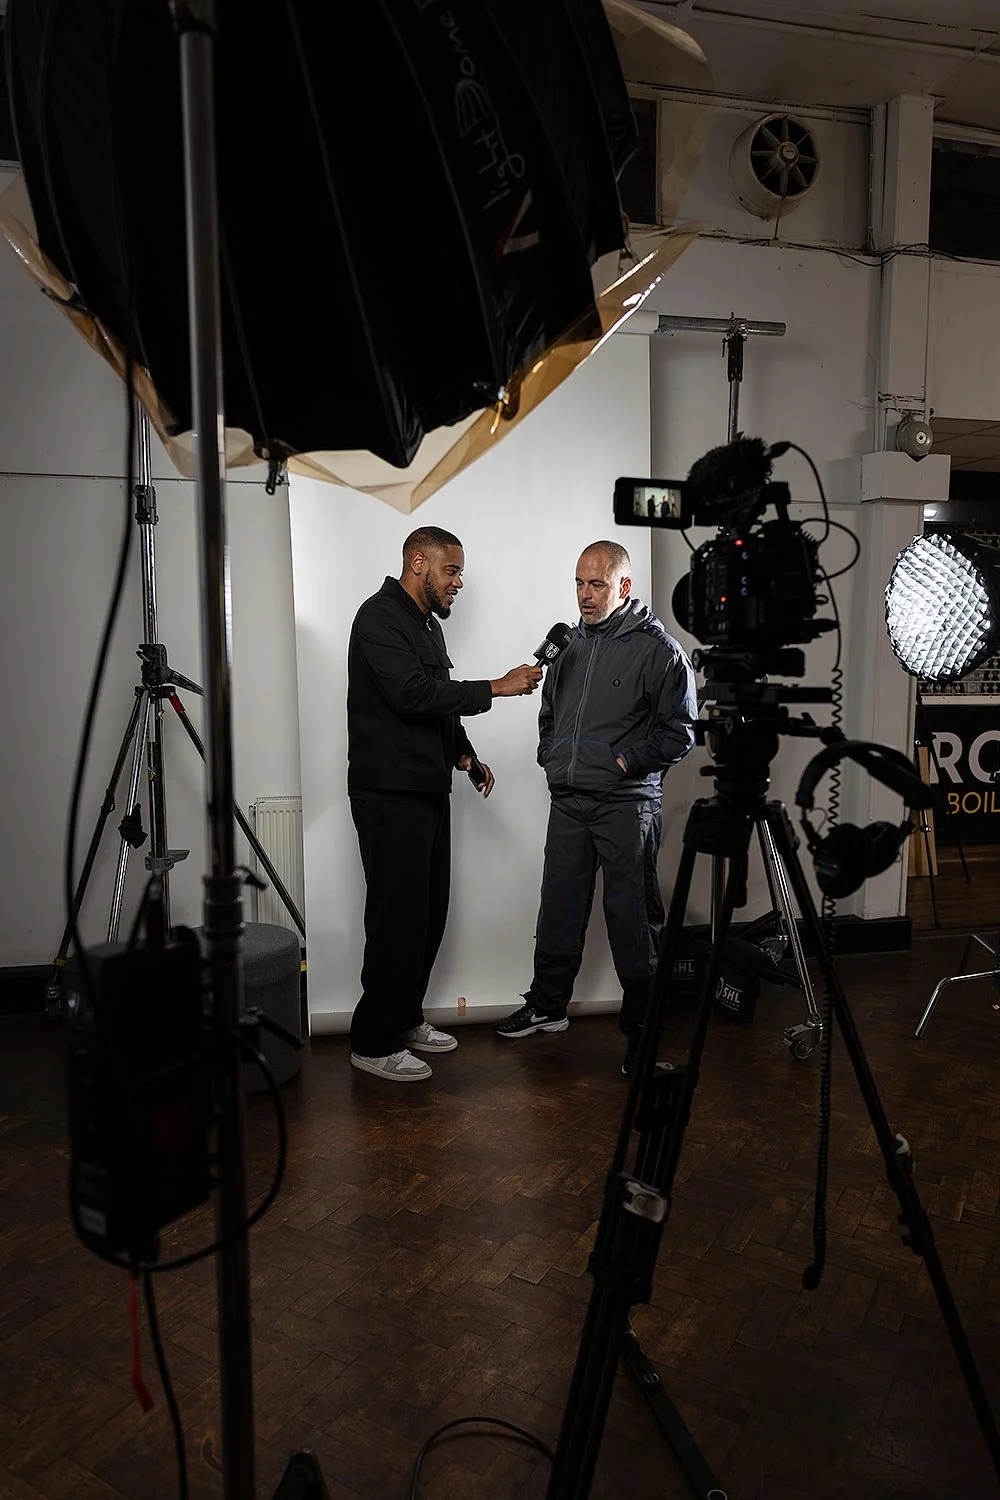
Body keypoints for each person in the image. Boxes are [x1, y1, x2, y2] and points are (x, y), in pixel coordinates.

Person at [347, 525, 542, 1082]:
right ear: (418, 563)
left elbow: (437, 700)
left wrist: (464, 755)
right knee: (395, 919)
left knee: (427, 916)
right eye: (451, 571)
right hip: (389, 794)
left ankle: (404, 1018)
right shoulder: (378, 618)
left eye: (459, 572)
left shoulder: (425, 625)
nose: (459, 582)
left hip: (427, 787)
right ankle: (372, 1039)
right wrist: (497, 688)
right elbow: (410, 694)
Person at [495, 540, 697, 1077]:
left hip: (625, 805)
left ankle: (641, 1036)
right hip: (569, 800)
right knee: (558, 906)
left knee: (631, 918)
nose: (585, 595)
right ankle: (547, 1006)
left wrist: (626, 763)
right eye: (579, 583)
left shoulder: (658, 650)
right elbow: (549, 712)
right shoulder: (568, 644)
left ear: (623, 586)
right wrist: (550, 756)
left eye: (597, 584)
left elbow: (680, 732)